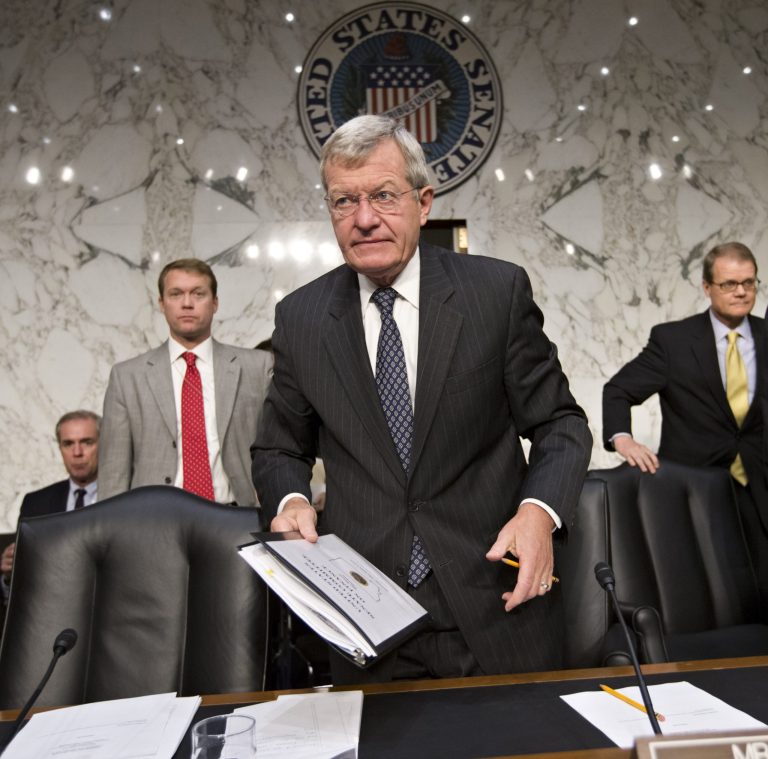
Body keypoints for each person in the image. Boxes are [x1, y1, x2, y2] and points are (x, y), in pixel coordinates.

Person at [252, 115, 592, 684]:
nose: (364, 219)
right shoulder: (302, 318)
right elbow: (278, 447)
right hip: (366, 618)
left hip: (494, 600)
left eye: (384, 196)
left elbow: (560, 423)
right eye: (344, 202)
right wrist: (290, 500)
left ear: (424, 200)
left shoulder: (495, 292)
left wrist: (540, 512)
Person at [603, 241, 768, 609]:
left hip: (758, 486)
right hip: (693, 487)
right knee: (704, 595)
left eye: (749, 282)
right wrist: (623, 439)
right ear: (707, 287)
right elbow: (618, 390)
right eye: (729, 284)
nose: (741, 291)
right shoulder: (672, 341)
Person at [99, 258, 272, 505]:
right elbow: (113, 473)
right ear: (162, 304)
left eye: (198, 293)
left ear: (215, 303)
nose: (187, 303)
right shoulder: (127, 377)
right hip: (155, 520)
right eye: (176, 294)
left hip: (237, 519)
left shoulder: (257, 366)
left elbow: (278, 450)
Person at [1, 410, 100, 600]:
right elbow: (21, 585)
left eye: (87, 442)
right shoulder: (36, 502)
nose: (77, 453)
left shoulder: (123, 497)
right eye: (68, 443)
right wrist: (8, 575)